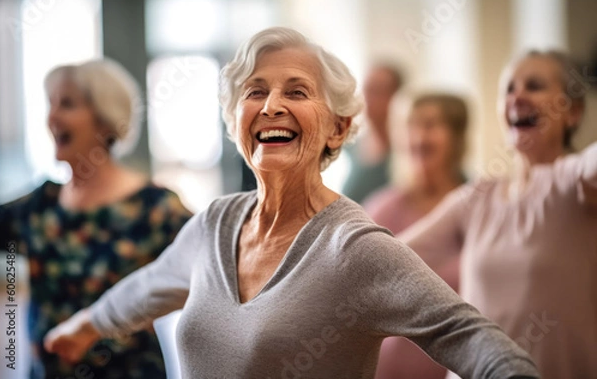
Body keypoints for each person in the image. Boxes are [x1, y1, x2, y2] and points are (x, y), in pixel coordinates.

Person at [43, 27, 539, 379]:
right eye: (254, 91)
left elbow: (470, 337)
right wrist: (80, 329)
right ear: (236, 120)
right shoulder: (214, 223)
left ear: (339, 126)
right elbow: (147, 288)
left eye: (296, 91)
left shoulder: (354, 248)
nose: (271, 105)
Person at [395, 50, 597, 379]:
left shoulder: (575, 182)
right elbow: (391, 258)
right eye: (509, 89)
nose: (517, 97)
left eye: (534, 86)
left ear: (572, 111)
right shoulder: (477, 197)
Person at [0, 59, 193, 379]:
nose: (52, 117)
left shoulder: (155, 208)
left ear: (105, 119)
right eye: (51, 104)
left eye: (68, 104)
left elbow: (210, 268)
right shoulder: (40, 205)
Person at [364, 93, 469, 379]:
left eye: (431, 125)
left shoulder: (478, 206)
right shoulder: (379, 209)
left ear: (456, 136)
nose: (419, 137)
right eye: (411, 126)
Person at [341, 63, 403, 203]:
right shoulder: (349, 145)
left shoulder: (408, 150)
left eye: (378, 91)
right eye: (366, 89)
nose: (368, 98)